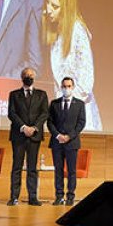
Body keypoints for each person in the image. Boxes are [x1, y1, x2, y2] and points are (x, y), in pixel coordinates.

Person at [43, 0, 101, 131]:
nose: (48, 10)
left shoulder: (77, 31)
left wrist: (67, 111)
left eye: (54, 6)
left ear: (67, 7)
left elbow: (86, 82)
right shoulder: (57, 31)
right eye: (47, 2)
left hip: (78, 117)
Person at [6, 66, 47, 206]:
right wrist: (23, 127)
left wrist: (34, 128)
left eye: (31, 75)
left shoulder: (42, 94)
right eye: (26, 75)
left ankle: (33, 197)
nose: (28, 77)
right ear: (22, 77)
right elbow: (12, 113)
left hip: (34, 136)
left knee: (32, 168)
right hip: (19, 135)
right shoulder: (14, 94)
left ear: (34, 78)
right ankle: (14, 197)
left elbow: (44, 113)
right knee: (16, 167)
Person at [47, 75, 85, 205]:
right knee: (58, 170)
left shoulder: (79, 104)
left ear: (73, 87)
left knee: (71, 171)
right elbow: (50, 122)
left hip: (72, 143)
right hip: (57, 142)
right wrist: (58, 135)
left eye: (69, 86)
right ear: (60, 87)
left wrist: (69, 136)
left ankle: (70, 196)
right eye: (64, 86)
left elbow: (81, 123)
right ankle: (59, 196)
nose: (66, 88)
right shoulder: (54, 103)